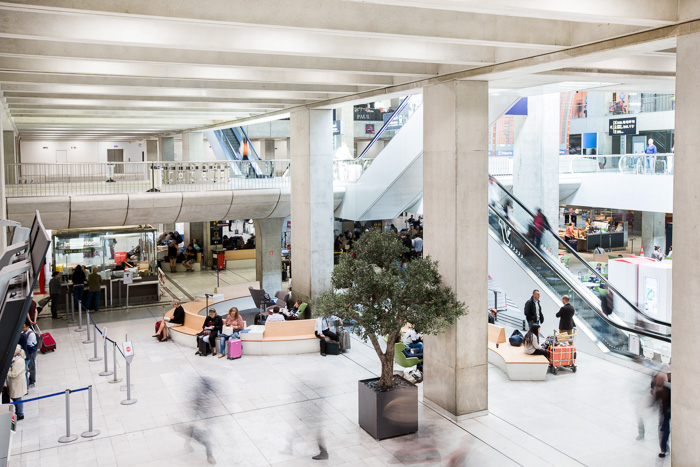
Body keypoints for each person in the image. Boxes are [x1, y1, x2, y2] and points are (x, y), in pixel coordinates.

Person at [653, 371, 671, 458]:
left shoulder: (667, 390)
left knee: (665, 430)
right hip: (663, 414)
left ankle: (664, 449)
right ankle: (664, 449)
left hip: (666, 413)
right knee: (663, 431)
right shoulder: (659, 390)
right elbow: (655, 401)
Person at [6, 345, 26, 421]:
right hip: (13, 383)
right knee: (15, 398)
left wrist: (5, 371)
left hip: (17, 383)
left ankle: (20, 414)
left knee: (17, 398)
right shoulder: (14, 359)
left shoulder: (19, 361)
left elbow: (14, 374)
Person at [22, 321, 37, 388]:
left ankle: (32, 381)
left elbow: (28, 345)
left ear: (28, 327)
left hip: (31, 352)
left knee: (31, 366)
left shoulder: (31, 334)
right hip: (28, 351)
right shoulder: (24, 332)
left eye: (24, 327)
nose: (22, 328)